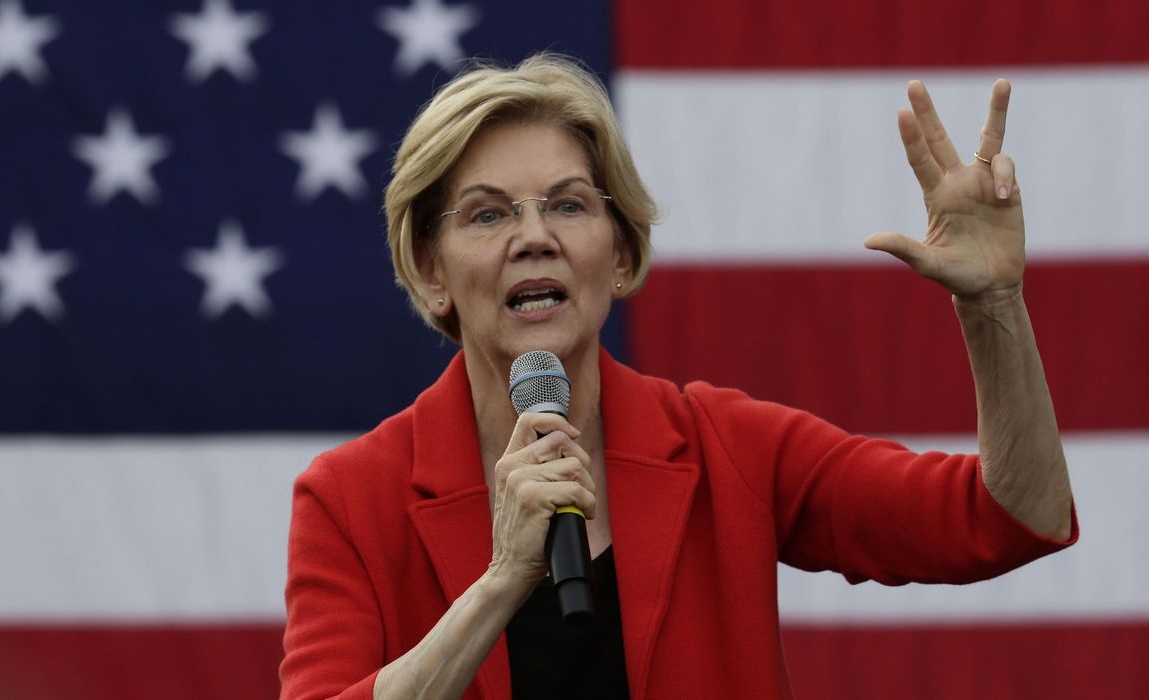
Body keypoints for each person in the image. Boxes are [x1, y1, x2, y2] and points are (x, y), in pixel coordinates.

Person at [279, 54, 1076, 699]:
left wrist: (992, 304)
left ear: (619, 255)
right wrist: (501, 583)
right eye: (488, 214)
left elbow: (1012, 518)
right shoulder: (351, 501)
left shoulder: (726, 448)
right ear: (429, 273)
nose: (533, 238)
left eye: (567, 206)